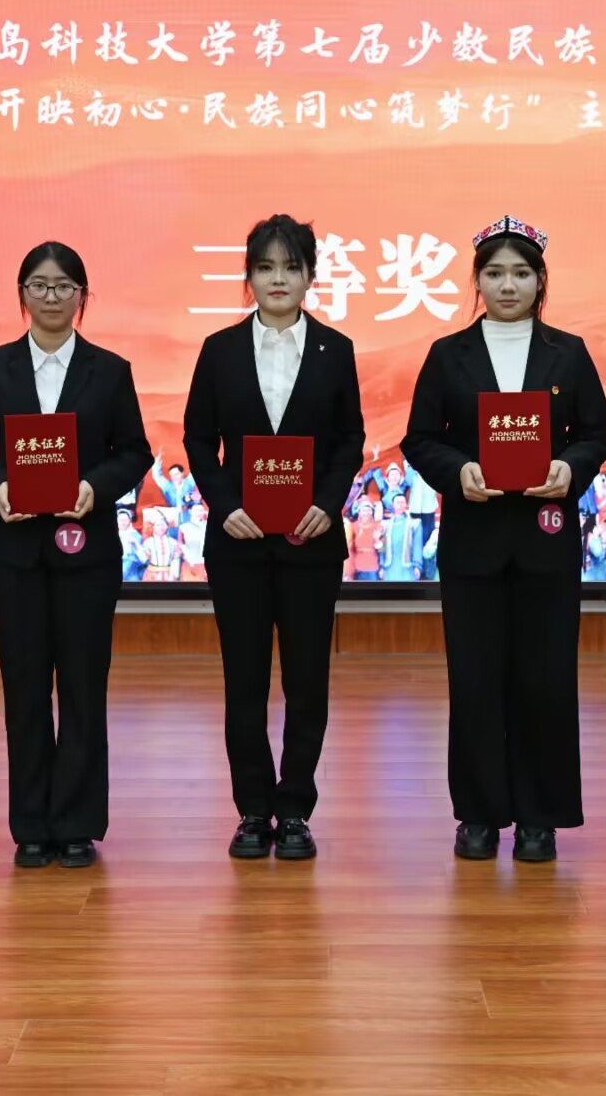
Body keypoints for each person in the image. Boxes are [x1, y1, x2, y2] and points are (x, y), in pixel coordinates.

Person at [403, 215, 606, 864]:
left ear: (541, 280)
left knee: (545, 679)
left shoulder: (567, 353)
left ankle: (538, 816)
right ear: (477, 281)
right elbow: (420, 438)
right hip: (473, 541)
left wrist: (569, 469)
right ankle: (478, 814)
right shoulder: (449, 354)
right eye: (494, 273)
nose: (508, 285)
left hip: (546, 540)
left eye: (521, 272)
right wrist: (458, 471)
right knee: (474, 678)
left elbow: (595, 434)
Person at [0, 241, 151, 870]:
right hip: (15, 556)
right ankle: (31, 824)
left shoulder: (110, 370)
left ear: (83, 297)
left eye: (65, 286)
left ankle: (78, 823)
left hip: (87, 555)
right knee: (25, 690)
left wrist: (94, 487)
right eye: (39, 285)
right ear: (22, 295)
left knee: (84, 692)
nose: (52, 297)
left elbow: (135, 452)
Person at [184, 213, 365, 860]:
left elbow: (349, 439)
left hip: (310, 542)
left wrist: (327, 503)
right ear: (249, 277)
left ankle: (295, 810)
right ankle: (253, 809)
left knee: (307, 681)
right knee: (245, 681)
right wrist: (225, 503)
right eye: (265, 267)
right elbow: (198, 439)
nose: (278, 278)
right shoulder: (220, 350)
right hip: (238, 543)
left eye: (291, 266)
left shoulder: (335, 349)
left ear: (311, 275)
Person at [378, 493, 424, 581]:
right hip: (389, 567)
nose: (400, 505)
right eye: (397, 502)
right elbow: (382, 547)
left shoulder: (415, 524)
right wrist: (382, 565)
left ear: (406, 504)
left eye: (402, 502)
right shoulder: (385, 525)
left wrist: (417, 565)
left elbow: (417, 546)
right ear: (393, 505)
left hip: (408, 567)